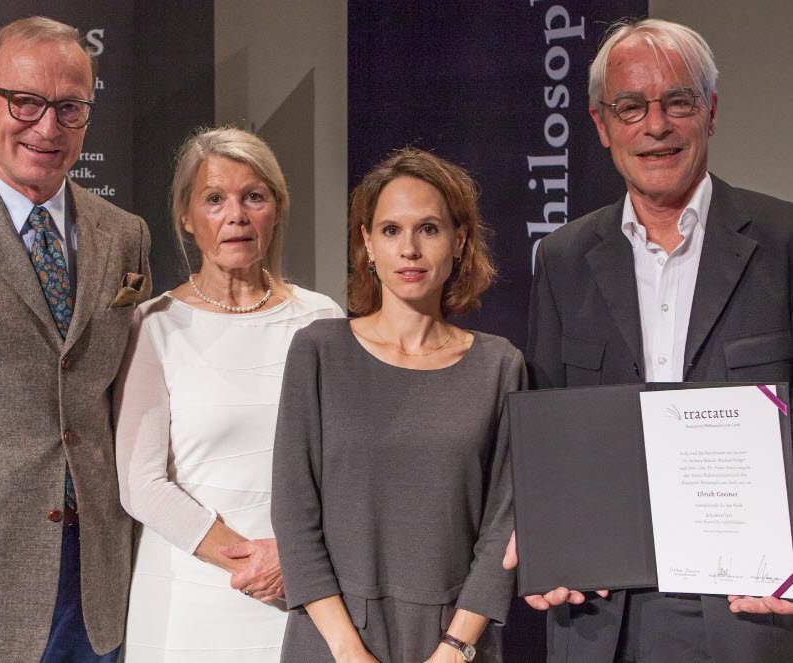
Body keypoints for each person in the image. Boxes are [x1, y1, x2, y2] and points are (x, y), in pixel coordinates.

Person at [503, 17, 793, 663]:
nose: (655, 126)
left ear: (710, 113)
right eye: (630, 107)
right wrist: (547, 536)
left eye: (678, 102)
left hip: (751, 610)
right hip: (602, 607)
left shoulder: (783, 242)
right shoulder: (564, 257)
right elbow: (551, 420)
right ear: (602, 125)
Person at [0, 16, 151, 663]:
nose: (47, 127)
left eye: (69, 107)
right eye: (26, 102)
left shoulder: (124, 233)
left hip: (96, 572)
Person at [272, 148, 525, 663]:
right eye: (390, 230)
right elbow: (295, 516)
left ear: (459, 240)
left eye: (428, 229)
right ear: (367, 243)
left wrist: (455, 648)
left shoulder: (499, 366)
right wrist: (348, 651)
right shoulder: (319, 350)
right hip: (334, 643)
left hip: (455, 645)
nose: (409, 249)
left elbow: (504, 525)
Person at [113, 126, 343, 662]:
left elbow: (346, 466)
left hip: (303, 591)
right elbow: (141, 484)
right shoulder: (154, 324)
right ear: (186, 218)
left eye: (253, 196)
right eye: (214, 199)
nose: (236, 215)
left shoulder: (322, 319)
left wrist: (292, 558)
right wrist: (250, 562)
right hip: (190, 600)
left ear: (277, 209)